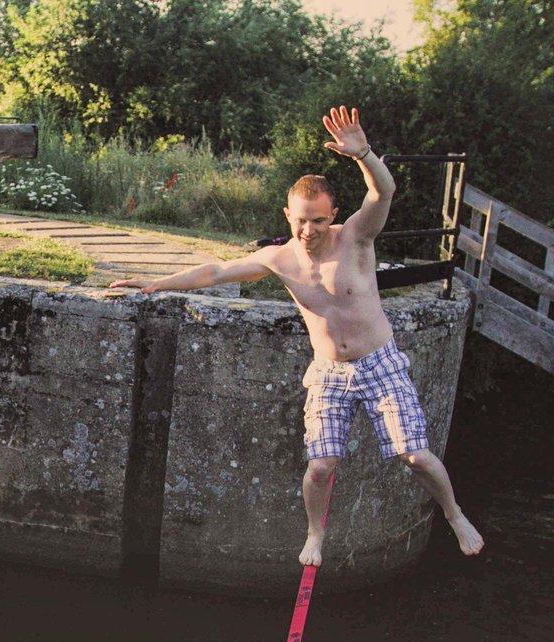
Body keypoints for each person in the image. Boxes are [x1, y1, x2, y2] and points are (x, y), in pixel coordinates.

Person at [110, 106, 485, 567]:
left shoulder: (356, 239)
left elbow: (383, 190)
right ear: (287, 214)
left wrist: (364, 154)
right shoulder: (279, 258)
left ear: (334, 217)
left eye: (319, 221)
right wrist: (153, 283)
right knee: (320, 467)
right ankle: (315, 533)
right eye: (301, 221)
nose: (309, 231)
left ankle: (454, 514)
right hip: (329, 373)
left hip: (380, 364)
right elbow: (215, 271)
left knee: (417, 458)